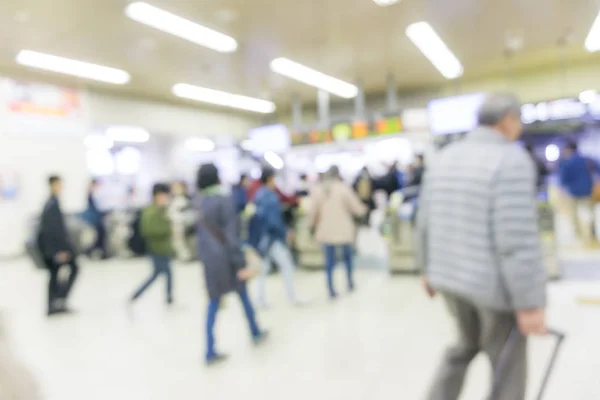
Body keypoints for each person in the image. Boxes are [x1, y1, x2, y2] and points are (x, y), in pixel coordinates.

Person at [416, 93, 547, 400]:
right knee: (507, 363)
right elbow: (516, 239)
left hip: (448, 278)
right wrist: (529, 302)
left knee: (464, 345)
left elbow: (424, 221)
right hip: (491, 287)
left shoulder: (444, 157)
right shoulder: (511, 159)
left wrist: (426, 269)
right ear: (507, 121)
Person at [195, 164, 268, 365]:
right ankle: (255, 331)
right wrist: (240, 261)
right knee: (243, 294)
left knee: (213, 302)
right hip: (227, 260)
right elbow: (231, 235)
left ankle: (209, 350)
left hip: (209, 261)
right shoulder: (223, 200)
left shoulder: (198, 202)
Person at [309, 166, 367, 298]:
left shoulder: (318, 190)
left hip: (326, 230)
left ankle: (330, 288)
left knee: (329, 261)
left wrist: (311, 226)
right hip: (344, 229)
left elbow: (313, 212)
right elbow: (356, 208)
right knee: (347, 258)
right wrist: (364, 210)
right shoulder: (343, 188)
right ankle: (350, 282)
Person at [254, 167, 303, 308]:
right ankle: (292, 297)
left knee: (263, 269)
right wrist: (284, 232)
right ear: (270, 179)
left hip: (264, 238)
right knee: (286, 266)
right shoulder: (269, 196)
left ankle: (260, 299)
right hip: (273, 238)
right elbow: (273, 220)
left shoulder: (259, 194)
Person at [38, 175, 79, 316]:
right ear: (53, 185)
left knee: (55, 275)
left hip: (53, 249)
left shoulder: (52, 202)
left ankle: (55, 303)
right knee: (71, 269)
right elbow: (53, 231)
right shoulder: (52, 204)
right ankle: (57, 302)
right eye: (59, 184)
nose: (61, 187)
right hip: (55, 249)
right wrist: (59, 251)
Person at [130, 183, 174, 305]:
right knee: (157, 274)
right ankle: (136, 294)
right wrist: (167, 229)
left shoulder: (161, 209)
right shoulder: (151, 211)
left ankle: (169, 298)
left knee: (166, 273)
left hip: (164, 248)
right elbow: (148, 230)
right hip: (156, 249)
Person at [559, 142, 600, 247]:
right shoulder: (587, 159)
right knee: (590, 214)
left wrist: (562, 193)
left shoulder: (566, 162)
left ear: (568, 149)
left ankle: (579, 235)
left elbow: (563, 180)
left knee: (574, 215)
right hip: (588, 191)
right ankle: (592, 233)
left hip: (573, 193)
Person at [169, 181, 193, 262]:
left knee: (181, 241)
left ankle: (185, 256)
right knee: (178, 242)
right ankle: (183, 256)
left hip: (180, 223)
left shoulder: (183, 199)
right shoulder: (174, 199)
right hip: (175, 223)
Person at [82, 178, 107, 259]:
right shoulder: (92, 194)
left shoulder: (93, 193)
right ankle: (90, 252)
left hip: (96, 218)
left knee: (100, 237)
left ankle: (99, 252)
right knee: (99, 237)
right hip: (95, 219)